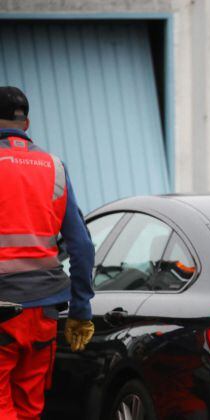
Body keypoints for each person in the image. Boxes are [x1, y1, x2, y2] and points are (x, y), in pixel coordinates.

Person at [0, 86, 95, 419]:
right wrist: (81, 309)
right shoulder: (53, 167)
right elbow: (81, 245)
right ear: (26, 123)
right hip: (43, 311)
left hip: (2, 308)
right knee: (29, 407)